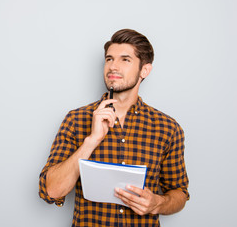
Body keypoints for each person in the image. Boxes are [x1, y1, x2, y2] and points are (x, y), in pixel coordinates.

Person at [38, 29, 189, 227]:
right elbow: (51, 191)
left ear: (145, 70)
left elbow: (179, 193)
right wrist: (91, 141)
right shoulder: (76, 119)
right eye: (109, 59)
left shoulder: (168, 128)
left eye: (125, 60)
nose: (113, 67)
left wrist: (158, 203)